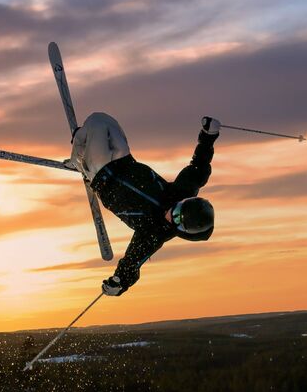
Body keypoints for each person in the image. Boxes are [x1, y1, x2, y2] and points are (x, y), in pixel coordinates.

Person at [69, 112, 220, 296]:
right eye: (179, 208)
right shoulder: (182, 191)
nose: (171, 213)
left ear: (183, 230)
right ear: (186, 201)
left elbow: (134, 259)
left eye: (177, 220)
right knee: (101, 119)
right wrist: (208, 136)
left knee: (97, 125)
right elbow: (200, 166)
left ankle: (79, 160)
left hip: (102, 175)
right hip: (123, 161)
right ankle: (80, 147)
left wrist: (120, 282)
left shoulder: (155, 233)